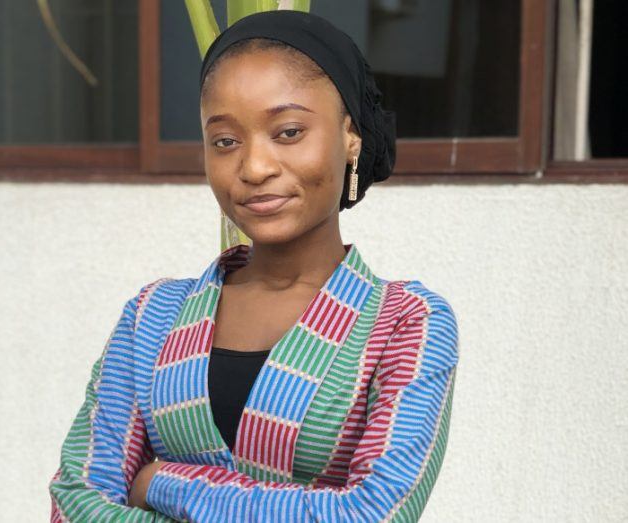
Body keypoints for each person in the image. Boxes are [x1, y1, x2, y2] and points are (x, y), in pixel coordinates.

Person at [48, 10, 459, 522]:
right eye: (225, 141)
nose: (254, 167)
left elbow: (374, 514)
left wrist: (168, 482)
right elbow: (76, 502)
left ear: (350, 136)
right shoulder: (151, 316)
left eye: (288, 132)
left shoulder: (405, 324)